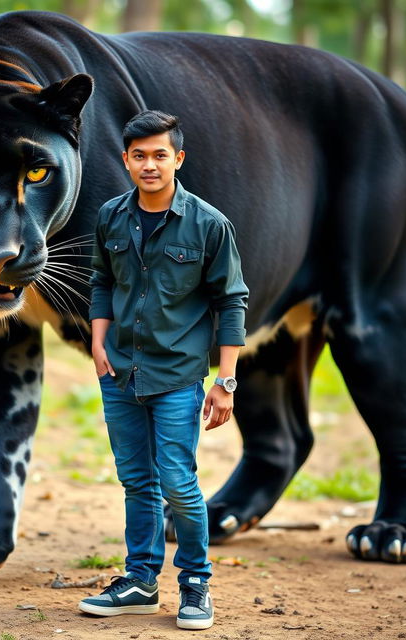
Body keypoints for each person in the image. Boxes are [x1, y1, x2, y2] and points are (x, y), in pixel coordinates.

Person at [79, 110, 249, 630]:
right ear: (125, 159)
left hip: (177, 376)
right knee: (136, 482)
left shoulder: (208, 224)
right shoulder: (110, 215)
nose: (149, 165)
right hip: (120, 374)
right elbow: (102, 280)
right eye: (139, 155)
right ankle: (140, 580)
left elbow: (232, 302)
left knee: (177, 482)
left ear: (178, 159)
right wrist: (98, 336)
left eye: (159, 155)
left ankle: (195, 583)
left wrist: (224, 382)